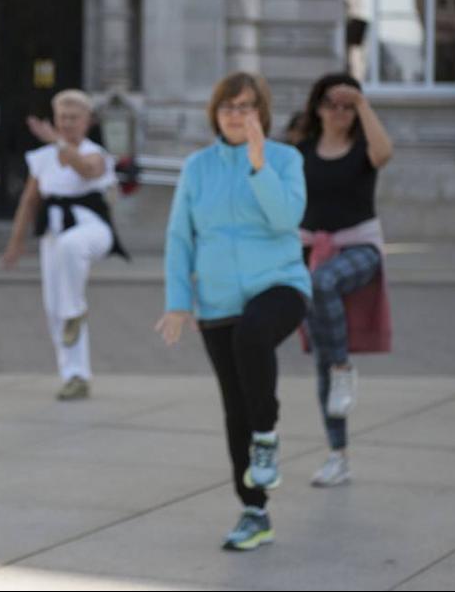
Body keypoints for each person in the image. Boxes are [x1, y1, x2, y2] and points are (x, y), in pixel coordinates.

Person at [155, 72, 310, 552]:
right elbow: (180, 237)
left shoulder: (285, 159)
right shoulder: (198, 167)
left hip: (280, 284)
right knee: (233, 407)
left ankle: (268, 433)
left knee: (253, 337)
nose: (236, 115)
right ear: (215, 113)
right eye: (228, 107)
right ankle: (254, 509)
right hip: (218, 299)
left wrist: (260, 166)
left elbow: (288, 218)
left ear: (261, 111)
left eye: (245, 106)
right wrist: (179, 303)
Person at [296, 73, 393, 488]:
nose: (339, 113)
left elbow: (385, 152)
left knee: (323, 283)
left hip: (360, 250)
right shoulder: (300, 151)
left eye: (347, 106)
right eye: (331, 104)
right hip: (312, 249)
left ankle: (343, 367)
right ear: (317, 109)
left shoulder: (363, 150)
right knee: (319, 359)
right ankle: (338, 456)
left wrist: (363, 102)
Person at [2, 90, 128, 401]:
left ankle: (74, 311)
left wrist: (57, 142)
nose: (68, 123)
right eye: (62, 118)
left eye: (74, 118)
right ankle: (75, 375)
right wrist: (15, 244)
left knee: (72, 249)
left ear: (87, 121)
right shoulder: (43, 159)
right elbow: (29, 202)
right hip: (54, 235)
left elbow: (87, 169)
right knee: (53, 306)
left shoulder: (95, 152)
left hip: (92, 229)